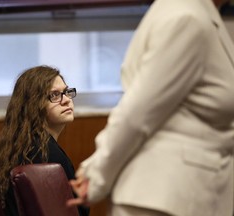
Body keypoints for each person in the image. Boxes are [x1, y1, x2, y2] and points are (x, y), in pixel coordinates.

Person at [67, 0, 234, 216]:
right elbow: (137, 114)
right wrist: (97, 176)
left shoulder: (198, 13)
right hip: (163, 197)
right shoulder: (187, 18)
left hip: (183, 194)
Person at [0, 65, 89, 216]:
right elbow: (77, 210)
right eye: (55, 95)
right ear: (33, 104)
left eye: (66, 92)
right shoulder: (47, 155)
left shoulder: (22, 146)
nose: (67, 100)